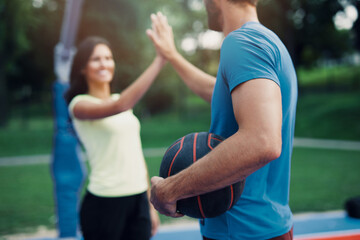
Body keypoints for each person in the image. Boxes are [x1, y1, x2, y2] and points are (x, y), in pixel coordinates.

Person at [147, 0, 298, 239]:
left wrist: (169, 190)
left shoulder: (241, 43)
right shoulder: (266, 41)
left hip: (241, 231)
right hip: (269, 225)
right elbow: (218, 91)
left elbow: (262, 141)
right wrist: (172, 56)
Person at [64, 36, 166, 240]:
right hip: (104, 203)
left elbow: (135, 155)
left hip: (138, 200)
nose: (104, 63)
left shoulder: (119, 99)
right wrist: (160, 60)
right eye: (96, 59)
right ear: (83, 67)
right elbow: (120, 107)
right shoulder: (79, 104)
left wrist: (149, 205)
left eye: (108, 58)